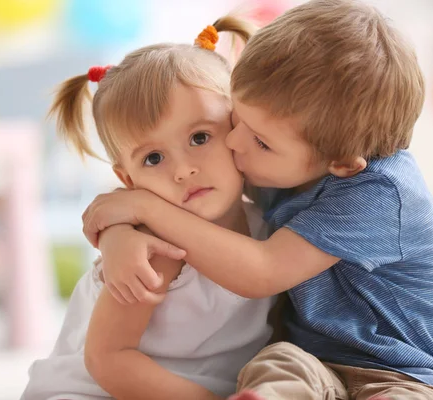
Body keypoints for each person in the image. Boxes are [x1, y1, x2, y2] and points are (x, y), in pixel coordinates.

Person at [81, 1, 433, 399]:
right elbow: (170, 189)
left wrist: (144, 209)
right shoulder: (281, 159)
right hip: (317, 363)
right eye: (237, 118)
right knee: (275, 366)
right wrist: (121, 232)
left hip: (413, 372)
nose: (233, 141)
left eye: (259, 140)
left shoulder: (379, 194)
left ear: (341, 164)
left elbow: (261, 271)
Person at [22, 17, 277, 400]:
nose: (183, 169)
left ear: (239, 127)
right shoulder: (154, 250)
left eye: (200, 137)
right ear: (128, 181)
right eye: (154, 158)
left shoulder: (269, 222)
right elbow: (109, 360)